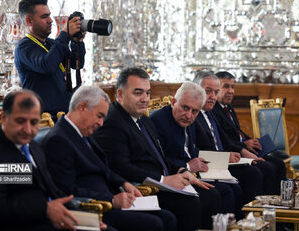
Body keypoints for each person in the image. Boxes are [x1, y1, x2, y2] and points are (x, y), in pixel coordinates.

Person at [94, 67, 222, 231]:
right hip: (142, 189)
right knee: (189, 203)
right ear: (120, 94)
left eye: (147, 93)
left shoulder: (143, 119)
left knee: (212, 195)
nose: (144, 99)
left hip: (161, 183)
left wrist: (183, 170)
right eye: (138, 93)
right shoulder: (113, 121)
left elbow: (159, 158)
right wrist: (163, 180)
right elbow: (119, 167)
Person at [42, 85, 177, 231]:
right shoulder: (58, 139)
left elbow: (104, 169)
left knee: (167, 218)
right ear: (83, 107)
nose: (101, 123)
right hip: (93, 208)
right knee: (154, 224)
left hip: (110, 199)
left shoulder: (83, 133)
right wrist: (112, 200)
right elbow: (66, 190)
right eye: (99, 116)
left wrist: (124, 183)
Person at [0, 90, 89, 231]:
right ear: (3, 117)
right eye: (20, 121)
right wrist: (44, 209)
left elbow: (53, 192)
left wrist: (85, 221)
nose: (27, 129)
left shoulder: (33, 146)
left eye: (34, 122)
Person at [150, 82, 243, 219]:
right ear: (174, 102)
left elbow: (192, 150)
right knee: (219, 193)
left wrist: (221, 158)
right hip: (175, 176)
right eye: (185, 108)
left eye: (194, 111)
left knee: (234, 186)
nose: (189, 115)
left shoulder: (188, 119)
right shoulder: (157, 122)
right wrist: (187, 166)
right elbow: (159, 159)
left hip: (194, 173)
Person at [193, 71, 265, 204]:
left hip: (221, 163)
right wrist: (226, 157)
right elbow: (194, 151)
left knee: (255, 170)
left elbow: (225, 140)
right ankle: (246, 220)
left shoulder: (209, 112)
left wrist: (241, 152)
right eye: (208, 91)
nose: (213, 97)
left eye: (215, 92)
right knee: (251, 175)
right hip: (209, 167)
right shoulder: (192, 115)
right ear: (195, 90)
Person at [212, 71, 286, 194]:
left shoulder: (228, 107)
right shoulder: (213, 110)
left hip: (242, 148)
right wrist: (245, 145)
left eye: (233, 86)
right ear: (216, 89)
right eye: (226, 86)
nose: (231, 91)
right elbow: (223, 139)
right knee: (266, 167)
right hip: (233, 153)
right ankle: (263, 206)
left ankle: (278, 203)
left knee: (279, 163)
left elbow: (237, 132)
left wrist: (251, 140)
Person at [15, 0, 86, 118]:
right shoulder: (24, 47)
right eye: (44, 17)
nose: (50, 20)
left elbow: (75, 64)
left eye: (49, 15)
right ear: (29, 21)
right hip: (43, 120)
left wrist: (76, 42)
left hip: (63, 115)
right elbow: (47, 65)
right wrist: (64, 35)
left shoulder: (51, 43)